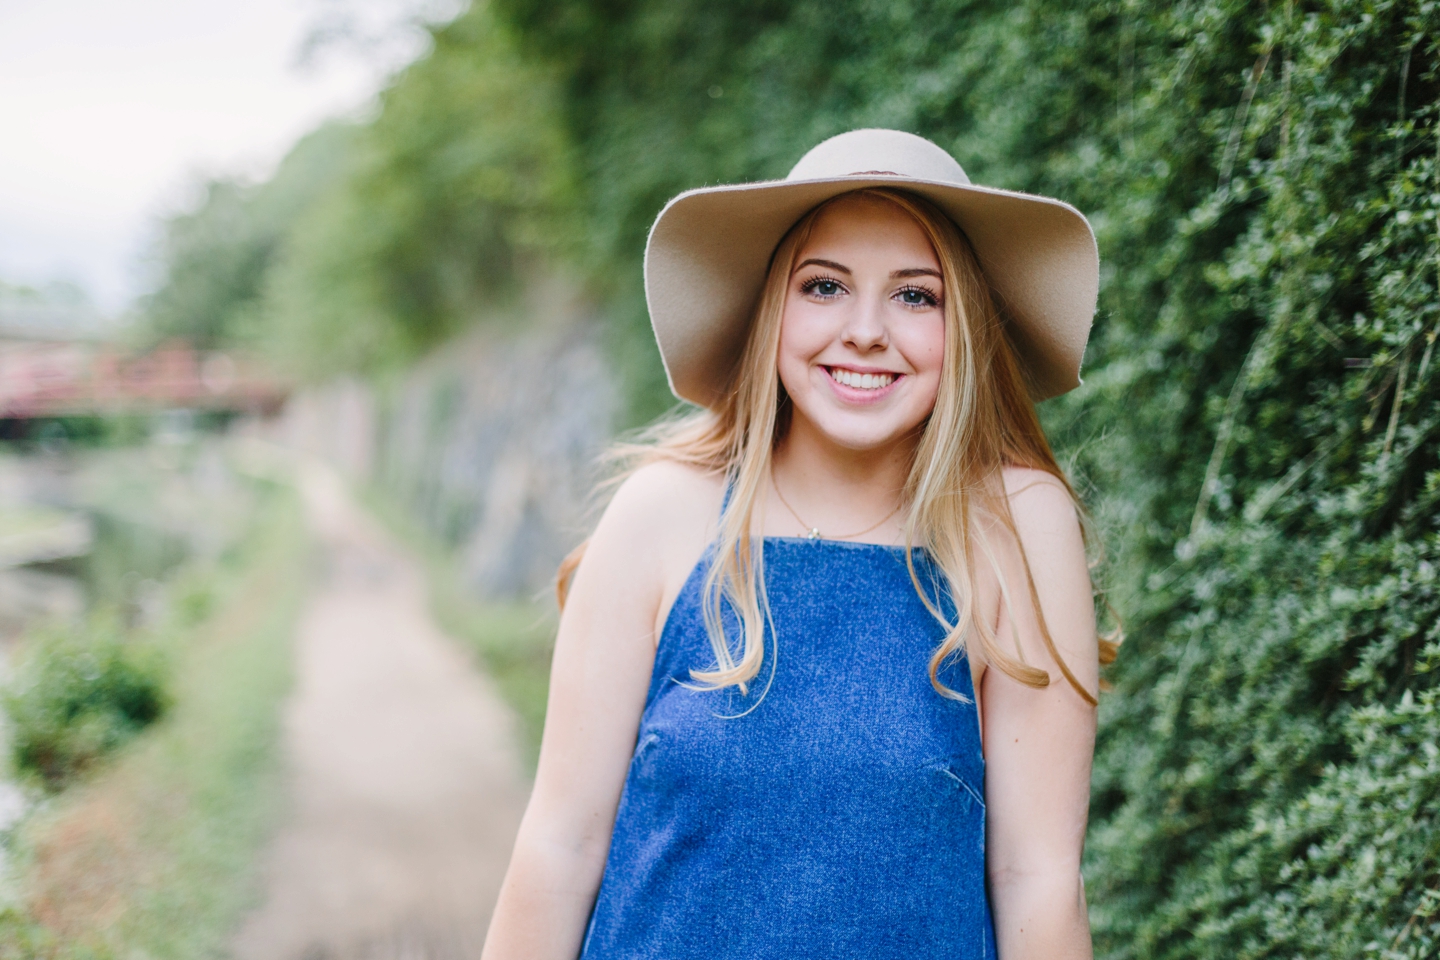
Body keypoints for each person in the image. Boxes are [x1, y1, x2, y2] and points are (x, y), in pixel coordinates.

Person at [481, 129, 1117, 960]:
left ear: (967, 326)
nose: (864, 331)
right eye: (824, 286)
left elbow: (1037, 876)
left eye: (916, 296)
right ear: (770, 309)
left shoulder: (1017, 526)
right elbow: (559, 847)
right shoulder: (662, 514)